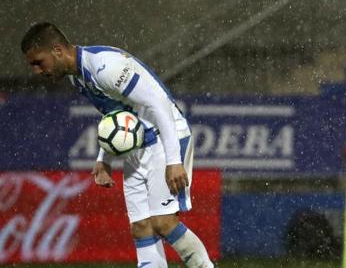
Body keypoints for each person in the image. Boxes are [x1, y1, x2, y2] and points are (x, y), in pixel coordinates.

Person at [21, 22, 214, 268]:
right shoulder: (77, 78)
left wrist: (173, 160)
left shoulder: (105, 67)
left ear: (57, 50)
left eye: (39, 62)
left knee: (163, 222)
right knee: (142, 228)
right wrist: (104, 158)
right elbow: (115, 116)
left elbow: (158, 103)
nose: (37, 70)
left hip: (165, 137)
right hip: (137, 147)